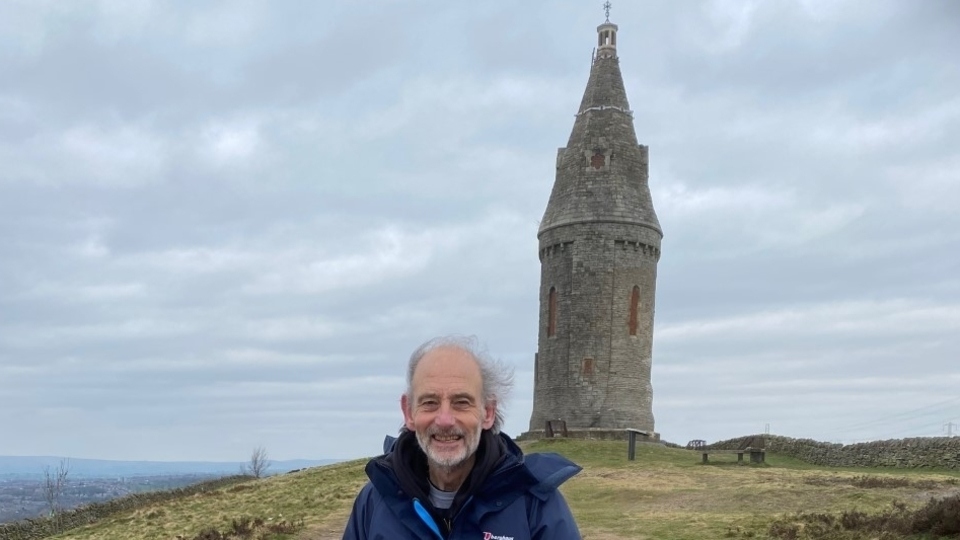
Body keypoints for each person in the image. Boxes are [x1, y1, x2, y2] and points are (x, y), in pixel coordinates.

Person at [342, 335, 583, 539]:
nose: (445, 419)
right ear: (408, 412)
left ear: (487, 412)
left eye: (461, 402)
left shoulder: (535, 504)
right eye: (429, 402)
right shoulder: (375, 501)